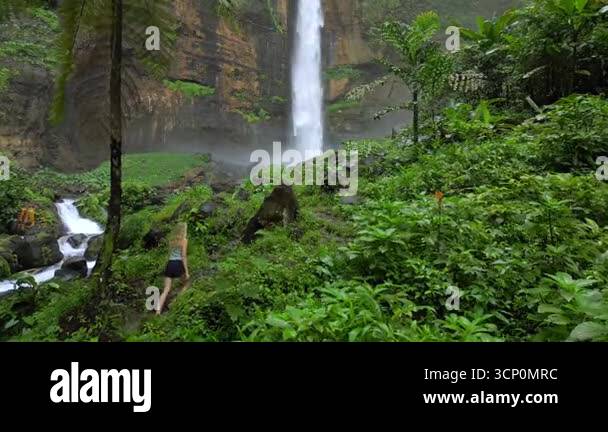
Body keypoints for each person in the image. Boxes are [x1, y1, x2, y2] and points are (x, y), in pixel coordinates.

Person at [157, 222, 190, 315]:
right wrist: (186, 272)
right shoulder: (184, 240)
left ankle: (158, 311)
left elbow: (168, 255)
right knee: (186, 283)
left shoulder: (172, 240)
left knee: (166, 289)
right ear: (184, 230)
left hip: (170, 264)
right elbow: (183, 255)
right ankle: (175, 303)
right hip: (178, 263)